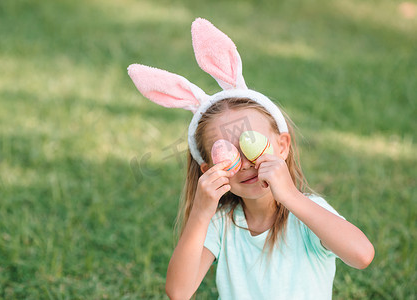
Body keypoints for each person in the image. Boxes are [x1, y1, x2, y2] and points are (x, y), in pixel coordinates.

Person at [128, 18, 374, 300]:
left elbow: (362, 255)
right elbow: (178, 292)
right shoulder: (222, 224)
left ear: (282, 146)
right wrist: (200, 212)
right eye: (227, 153)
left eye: (252, 144)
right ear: (209, 170)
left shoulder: (307, 214)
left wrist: (291, 196)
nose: (245, 163)